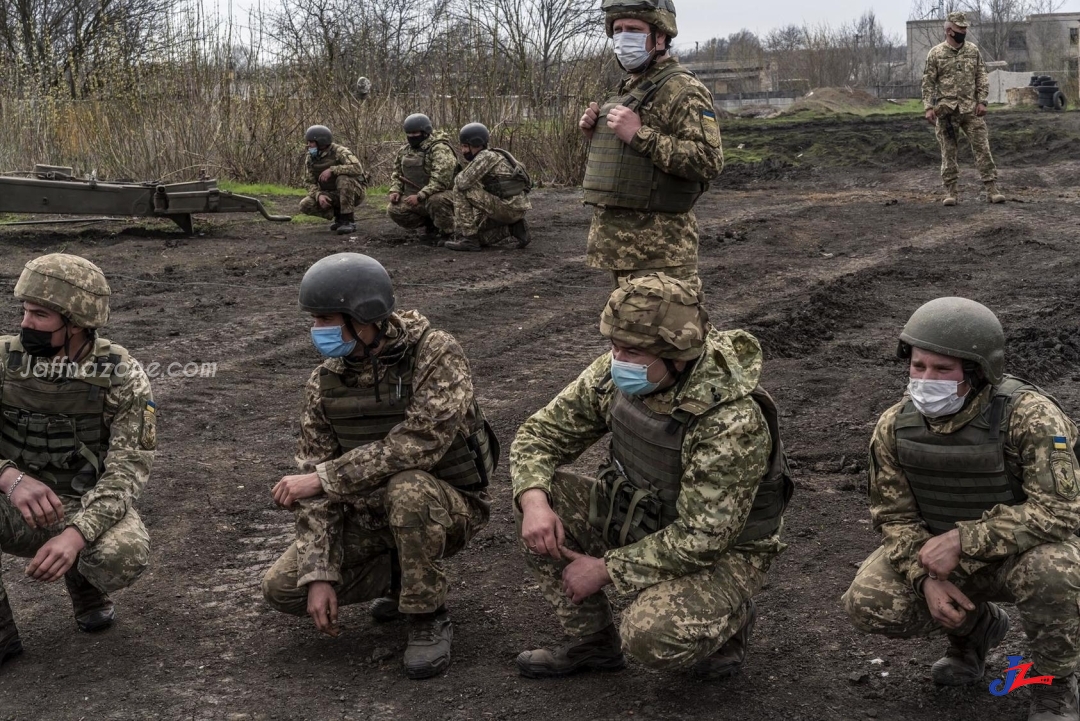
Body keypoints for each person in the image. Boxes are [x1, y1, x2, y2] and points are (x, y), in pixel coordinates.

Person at [510, 273, 792, 679]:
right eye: (614, 346)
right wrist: (534, 501)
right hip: (644, 514)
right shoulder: (620, 372)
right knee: (539, 498)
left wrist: (606, 569)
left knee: (650, 636)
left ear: (677, 356)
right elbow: (540, 434)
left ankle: (730, 618)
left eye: (633, 352)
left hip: (724, 550)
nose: (618, 360)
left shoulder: (729, 421)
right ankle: (593, 644)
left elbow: (702, 538)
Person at [262, 252, 498, 680]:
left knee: (408, 487)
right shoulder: (324, 382)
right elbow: (316, 476)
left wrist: (326, 478)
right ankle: (399, 580)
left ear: (365, 315)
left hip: (446, 505)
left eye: (327, 319)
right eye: (314, 320)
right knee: (282, 589)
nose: (318, 331)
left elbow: (421, 442)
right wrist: (319, 573)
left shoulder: (435, 352)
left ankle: (428, 617)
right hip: (369, 514)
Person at [843, 297, 1080, 721]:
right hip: (943, 562)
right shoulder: (894, 426)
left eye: (942, 369)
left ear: (976, 372)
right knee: (869, 600)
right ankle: (974, 634)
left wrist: (963, 538)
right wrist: (924, 580)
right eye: (918, 366)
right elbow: (894, 517)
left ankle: (1054, 683)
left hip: (1022, 555)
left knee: (1054, 572)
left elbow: (1060, 513)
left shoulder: (1030, 417)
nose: (925, 379)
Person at [0, 253, 155, 669]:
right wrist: (9, 476)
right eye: (24, 311)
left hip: (82, 504)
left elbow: (127, 471)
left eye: (40, 314)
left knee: (122, 554)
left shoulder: (121, 374)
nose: (24, 323)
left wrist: (76, 535)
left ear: (77, 321)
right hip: (11, 503)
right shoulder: (2, 361)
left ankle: (85, 581)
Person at [578, 0, 724, 291]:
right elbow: (631, 165)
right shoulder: (630, 88)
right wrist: (598, 137)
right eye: (617, 30)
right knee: (627, 337)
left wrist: (639, 135)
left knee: (670, 336)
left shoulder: (683, 89)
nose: (622, 38)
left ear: (660, 36)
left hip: (661, 252)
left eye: (633, 29)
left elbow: (709, 160)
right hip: (621, 248)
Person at [921, 12, 1006, 206]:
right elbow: (928, 82)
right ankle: (951, 192)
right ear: (949, 31)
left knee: (983, 149)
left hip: (971, 110)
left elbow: (981, 77)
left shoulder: (973, 51)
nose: (964, 31)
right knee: (948, 152)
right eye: (960, 28)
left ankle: (992, 189)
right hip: (946, 112)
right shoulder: (936, 53)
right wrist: (928, 107)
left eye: (966, 28)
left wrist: (982, 101)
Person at [442, 123, 532, 252]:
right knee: (480, 236)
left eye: (465, 146)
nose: (463, 151)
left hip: (507, 207)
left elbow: (462, 182)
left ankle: (469, 239)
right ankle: (514, 229)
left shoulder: (486, 157)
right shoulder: (497, 155)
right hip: (514, 207)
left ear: (476, 144)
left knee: (459, 188)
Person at [386, 113, 458, 245]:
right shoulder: (405, 151)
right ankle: (432, 225)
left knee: (436, 200)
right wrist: (395, 190)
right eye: (409, 133)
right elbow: (397, 174)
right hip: (420, 198)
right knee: (394, 209)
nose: (412, 137)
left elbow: (441, 180)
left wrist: (420, 196)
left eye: (415, 133)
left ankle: (449, 232)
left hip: (447, 197)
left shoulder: (439, 149)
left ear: (425, 132)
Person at [298, 125, 367, 234]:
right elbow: (308, 182)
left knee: (343, 179)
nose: (309, 145)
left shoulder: (340, 151)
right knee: (305, 204)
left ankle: (348, 220)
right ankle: (339, 217)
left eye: (311, 142)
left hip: (354, 192)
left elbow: (357, 168)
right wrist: (318, 195)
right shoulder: (310, 158)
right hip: (331, 193)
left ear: (321, 142)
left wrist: (333, 170)